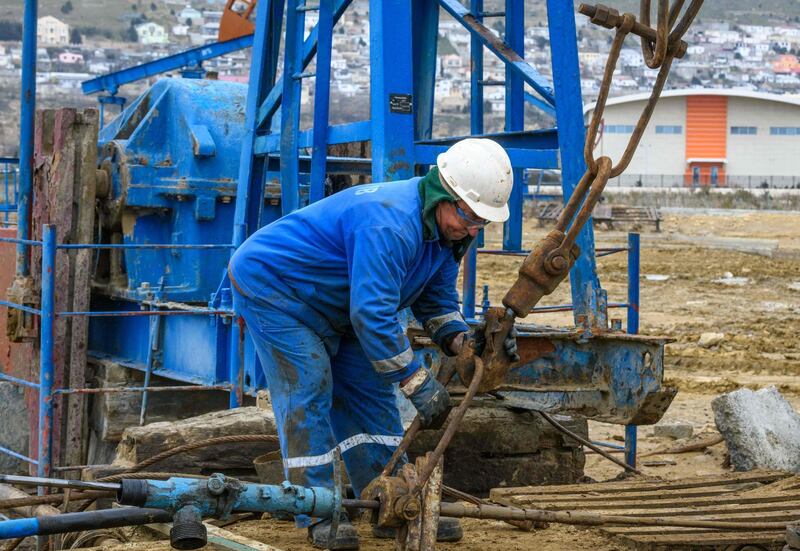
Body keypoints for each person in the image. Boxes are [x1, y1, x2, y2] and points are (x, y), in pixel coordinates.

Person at [227, 138, 518, 549]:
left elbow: (436, 302)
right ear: (446, 196)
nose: (473, 230)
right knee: (308, 384)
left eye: (481, 224)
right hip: (277, 290)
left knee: (369, 393)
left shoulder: (447, 235)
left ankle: (387, 499)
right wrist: (416, 381)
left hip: (338, 304)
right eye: (470, 218)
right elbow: (373, 315)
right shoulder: (390, 224)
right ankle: (318, 508)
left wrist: (462, 343)